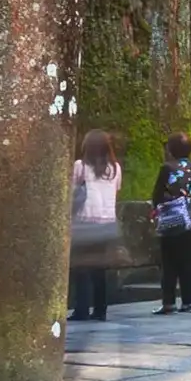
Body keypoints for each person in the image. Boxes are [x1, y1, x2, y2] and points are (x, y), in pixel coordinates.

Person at [69, 130, 125, 326]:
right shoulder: (115, 168)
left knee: (81, 267)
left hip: (85, 221)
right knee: (100, 268)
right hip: (107, 222)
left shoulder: (80, 166)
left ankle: (81, 308)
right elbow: (116, 189)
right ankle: (101, 309)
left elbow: (73, 190)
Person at [152, 134, 191, 313]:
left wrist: (158, 208)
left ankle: (169, 302)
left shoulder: (167, 167)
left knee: (169, 260)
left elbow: (157, 194)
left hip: (172, 216)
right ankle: (188, 301)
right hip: (190, 215)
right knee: (188, 260)